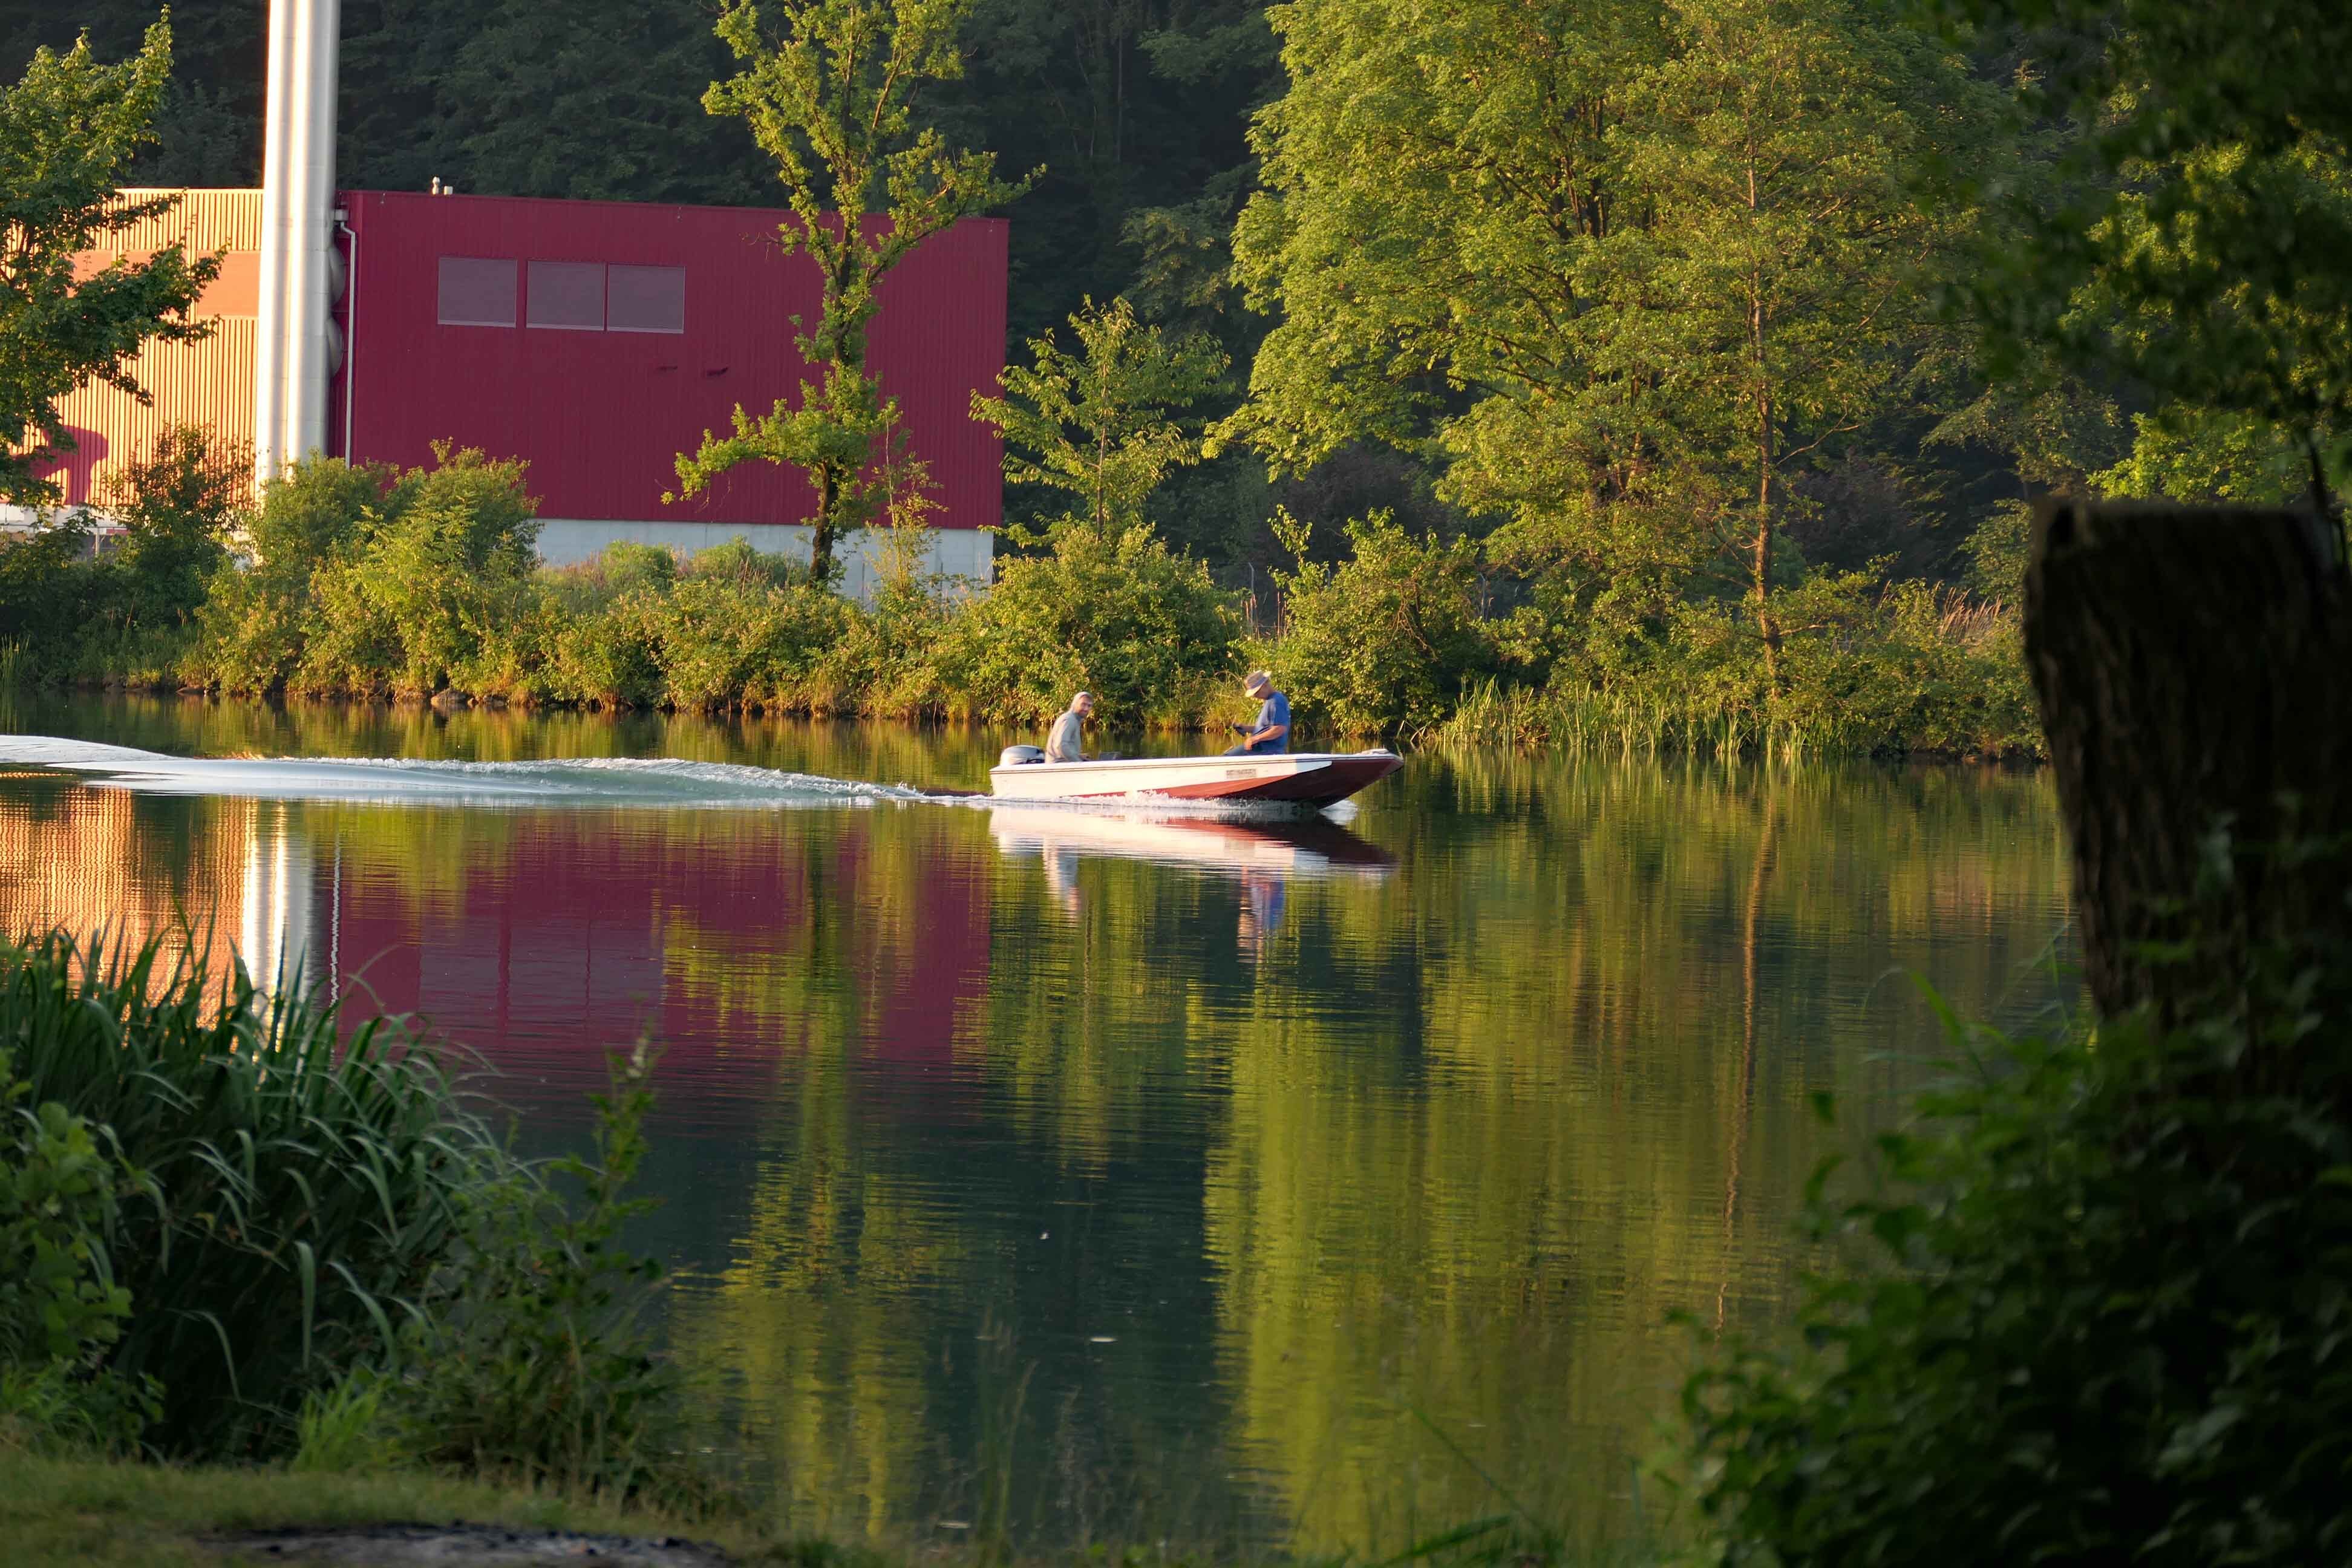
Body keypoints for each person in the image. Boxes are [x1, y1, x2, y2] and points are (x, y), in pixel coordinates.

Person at [1224, 671, 1290, 756]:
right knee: (1225, 758)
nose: (1254, 696)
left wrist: (1255, 739)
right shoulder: (1271, 700)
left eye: (1256, 692)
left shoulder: (1275, 701)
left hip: (1265, 750)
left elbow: (1280, 729)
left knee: (1225, 759)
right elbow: (1266, 728)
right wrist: (1246, 728)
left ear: (1265, 685)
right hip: (1261, 749)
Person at [1047, 691, 1094, 763]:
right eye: (1083, 704)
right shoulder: (1069, 720)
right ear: (1075, 704)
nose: (1086, 709)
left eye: (1089, 706)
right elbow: (1062, 746)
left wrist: (1079, 756)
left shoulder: (1074, 719)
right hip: (1059, 766)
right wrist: (1079, 763)